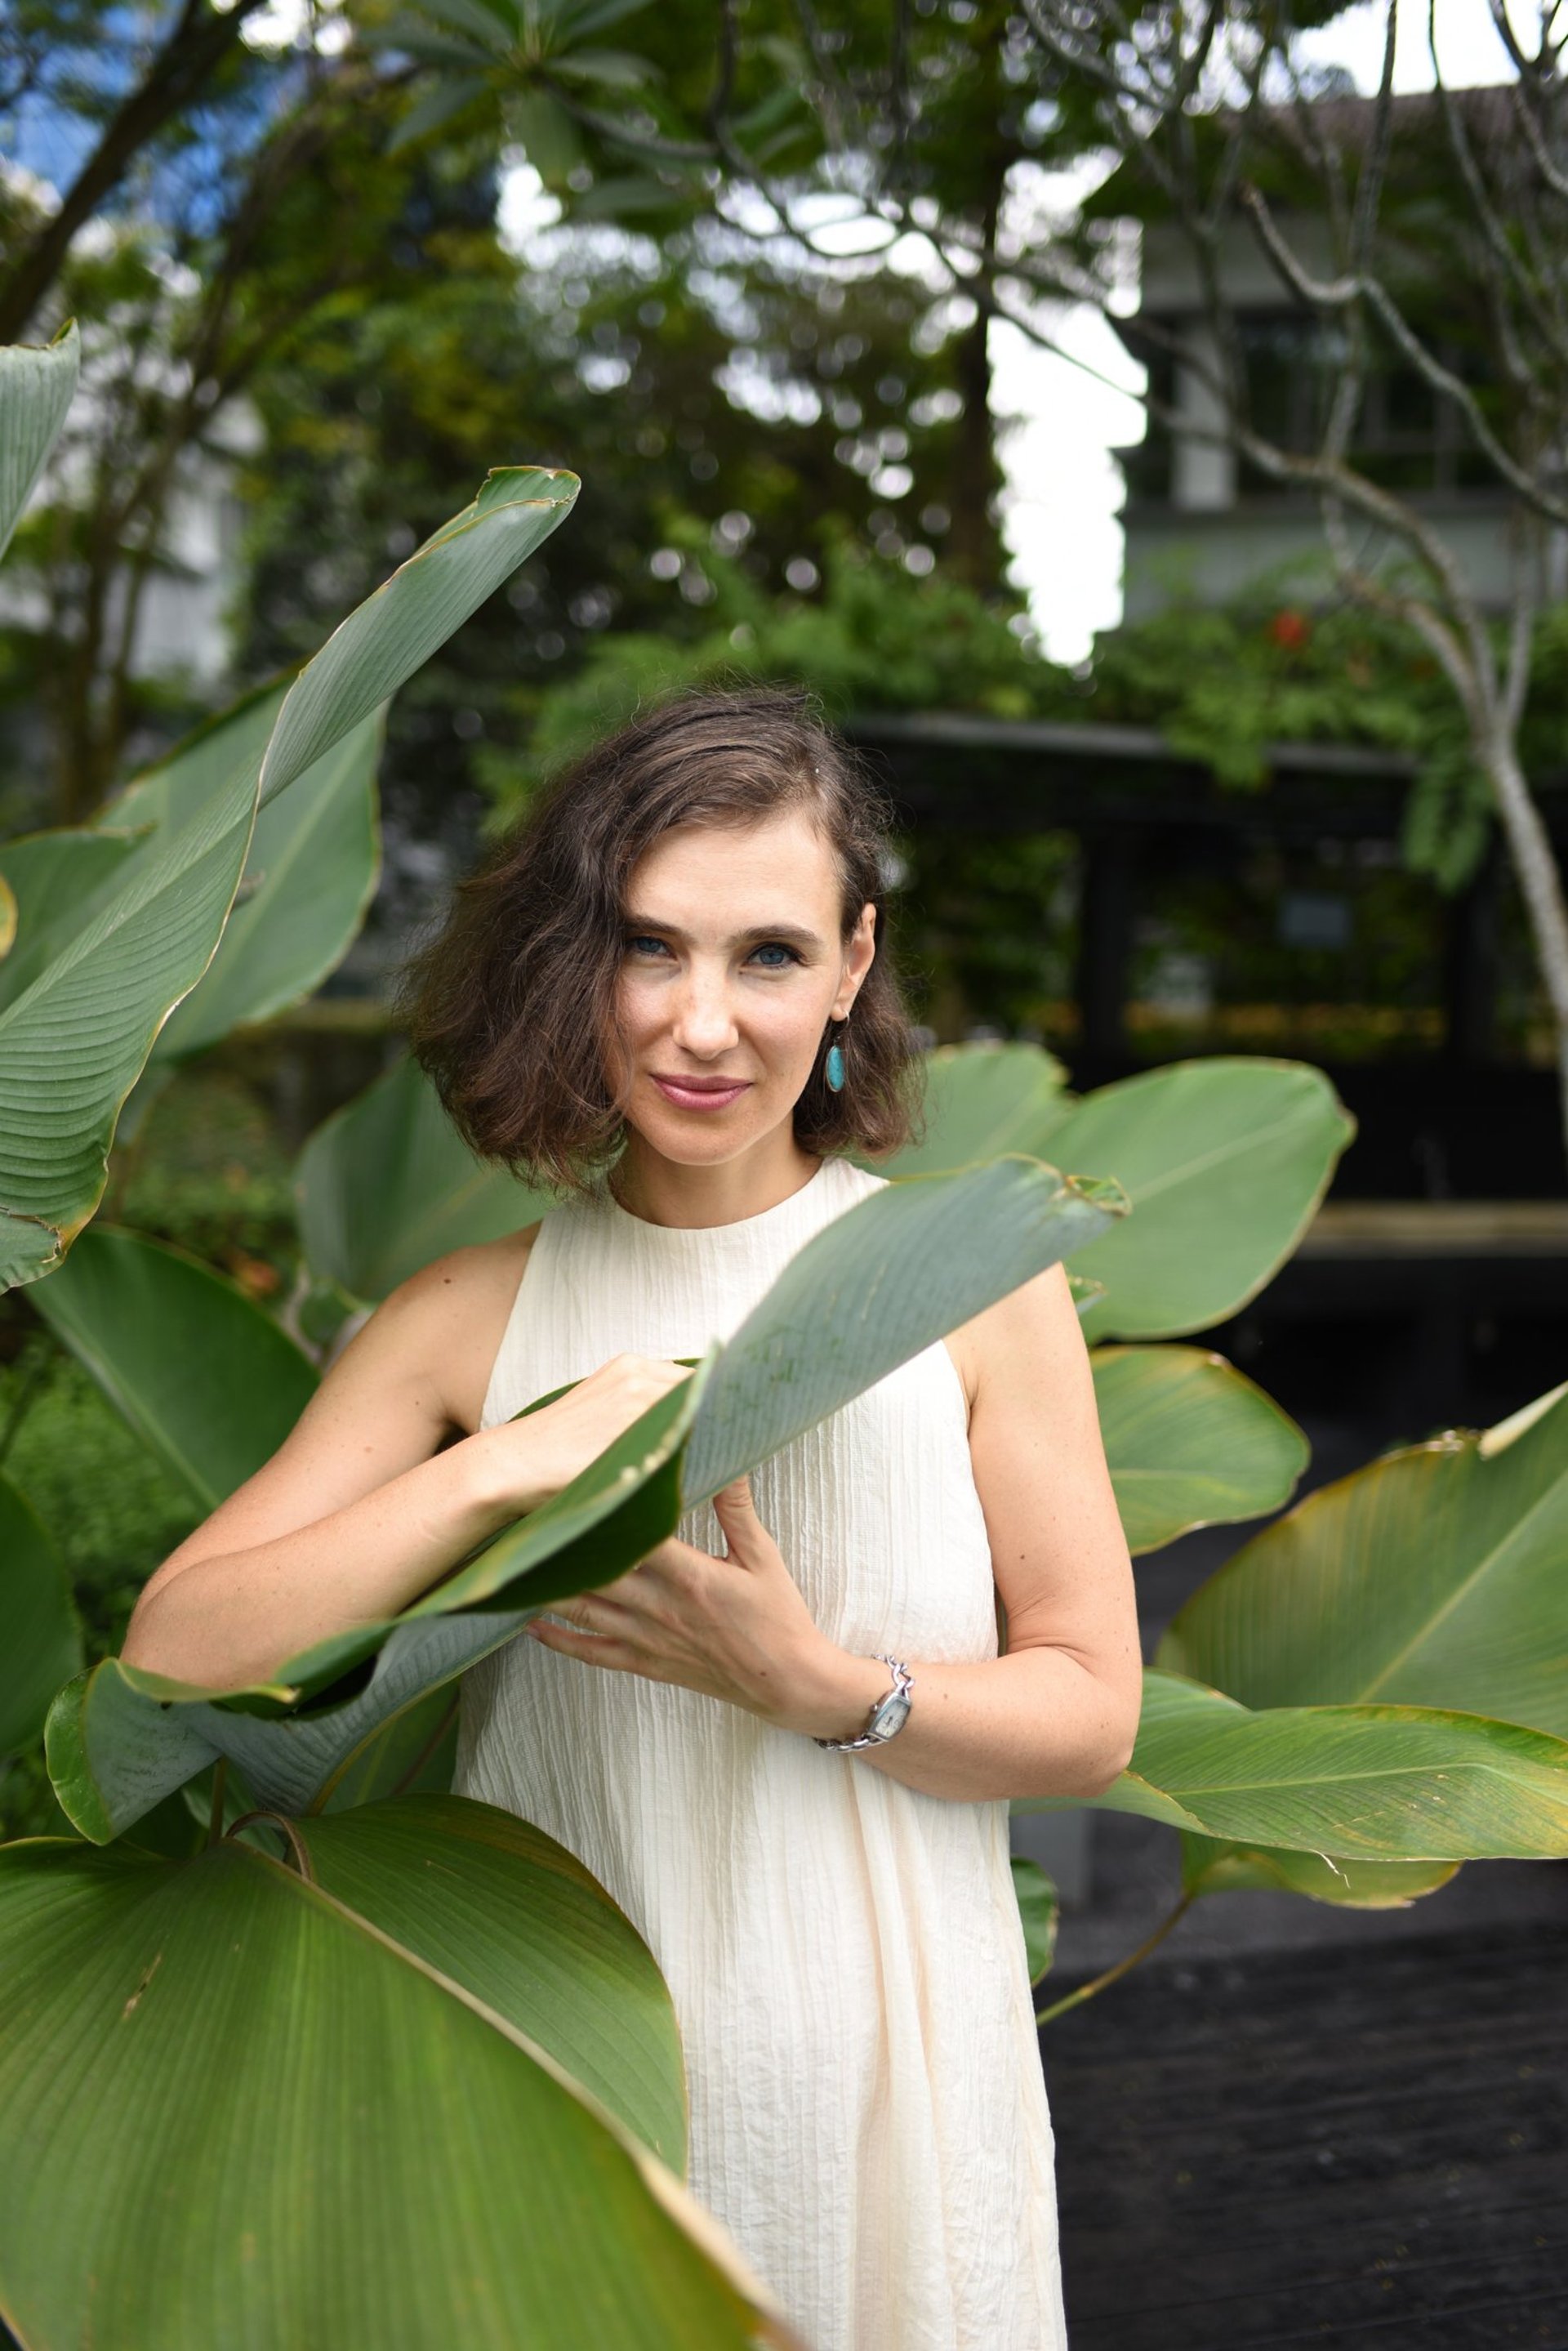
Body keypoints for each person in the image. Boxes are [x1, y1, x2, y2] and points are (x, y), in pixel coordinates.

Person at [121, 688, 1142, 2351]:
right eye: (649, 946)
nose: (701, 1021)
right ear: (574, 959)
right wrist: (498, 1465)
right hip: (557, 2071)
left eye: (767, 955)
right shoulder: (462, 1315)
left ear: (854, 964)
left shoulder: (976, 1288)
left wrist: (823, 1685)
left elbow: (1093, 1707)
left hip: (887, 2084)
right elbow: (179, 1641)